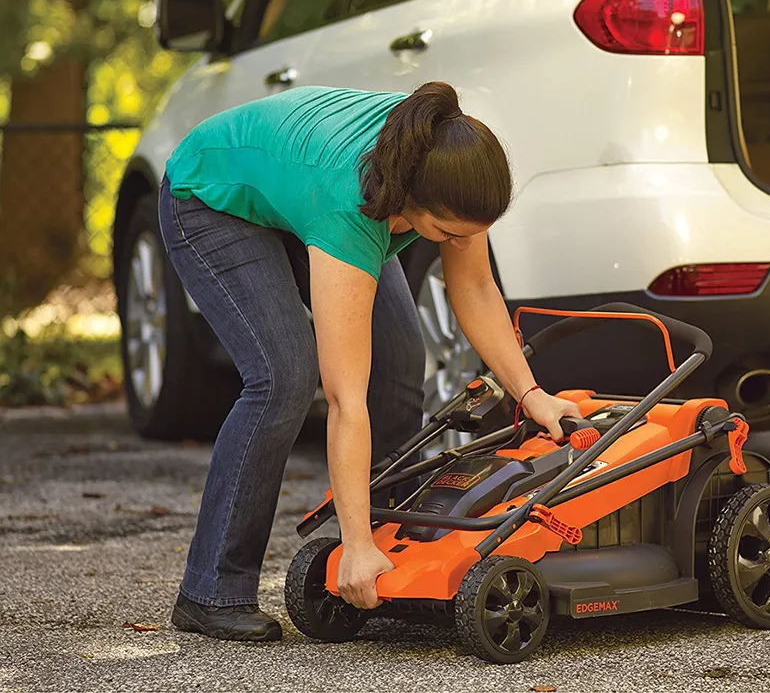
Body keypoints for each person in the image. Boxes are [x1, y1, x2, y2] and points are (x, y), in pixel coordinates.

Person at [158, 81, 581, 642]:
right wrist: (352, 543)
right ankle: (214, 588)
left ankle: (388, 551)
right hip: (211, 197)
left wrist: (532, 394)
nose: (459, 244)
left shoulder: (446, 164)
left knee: (401, 362)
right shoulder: (350, 205)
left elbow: (476, 288)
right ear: (409, 201)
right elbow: (344, 399)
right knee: (284, 376)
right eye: (448, 233)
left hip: (299, 190)